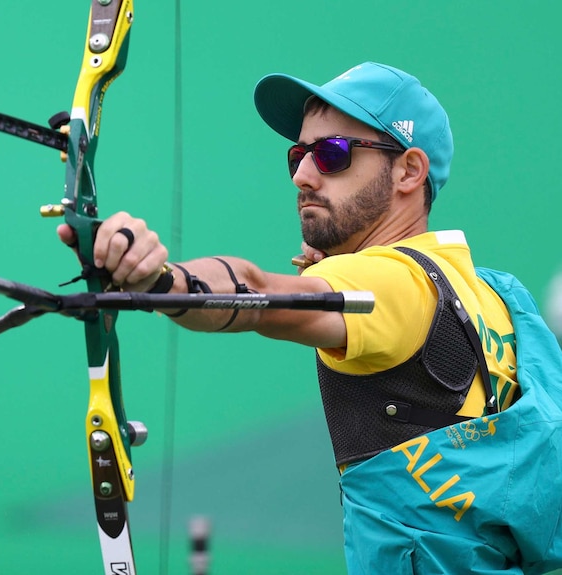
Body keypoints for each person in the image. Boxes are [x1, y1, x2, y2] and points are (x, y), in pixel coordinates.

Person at [58, 62, 562, 574]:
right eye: (299, 155)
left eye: (333, 154)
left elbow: (254, 289)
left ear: (409, 171)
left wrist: (160, 280)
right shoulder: (492, 294)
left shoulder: (393, 285)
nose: (302, 174)